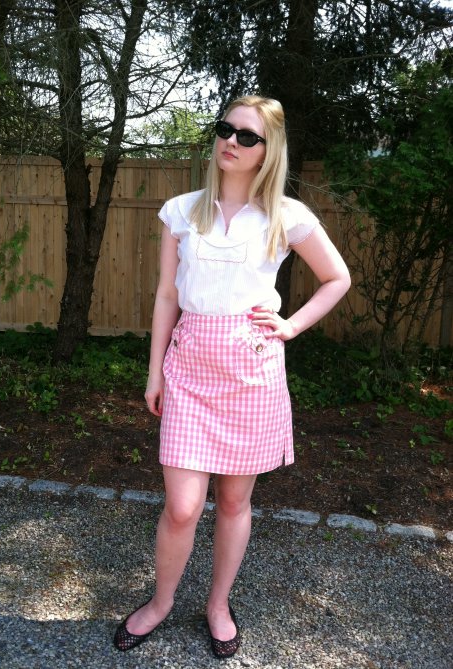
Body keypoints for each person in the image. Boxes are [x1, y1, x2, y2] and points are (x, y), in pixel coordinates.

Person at [113, 95, 351, 659]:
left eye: (247, 136)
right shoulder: (181, 211)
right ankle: (161, 603)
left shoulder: (286, 216)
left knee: (234, 502)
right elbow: (167, 295)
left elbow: (337, 278)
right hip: (190, 368)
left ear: (268, 151)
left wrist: (290, 326)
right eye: (226, 129)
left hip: (252, 371)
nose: (231, 142)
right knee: (182, 506)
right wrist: (154, 373)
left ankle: (218, 605)